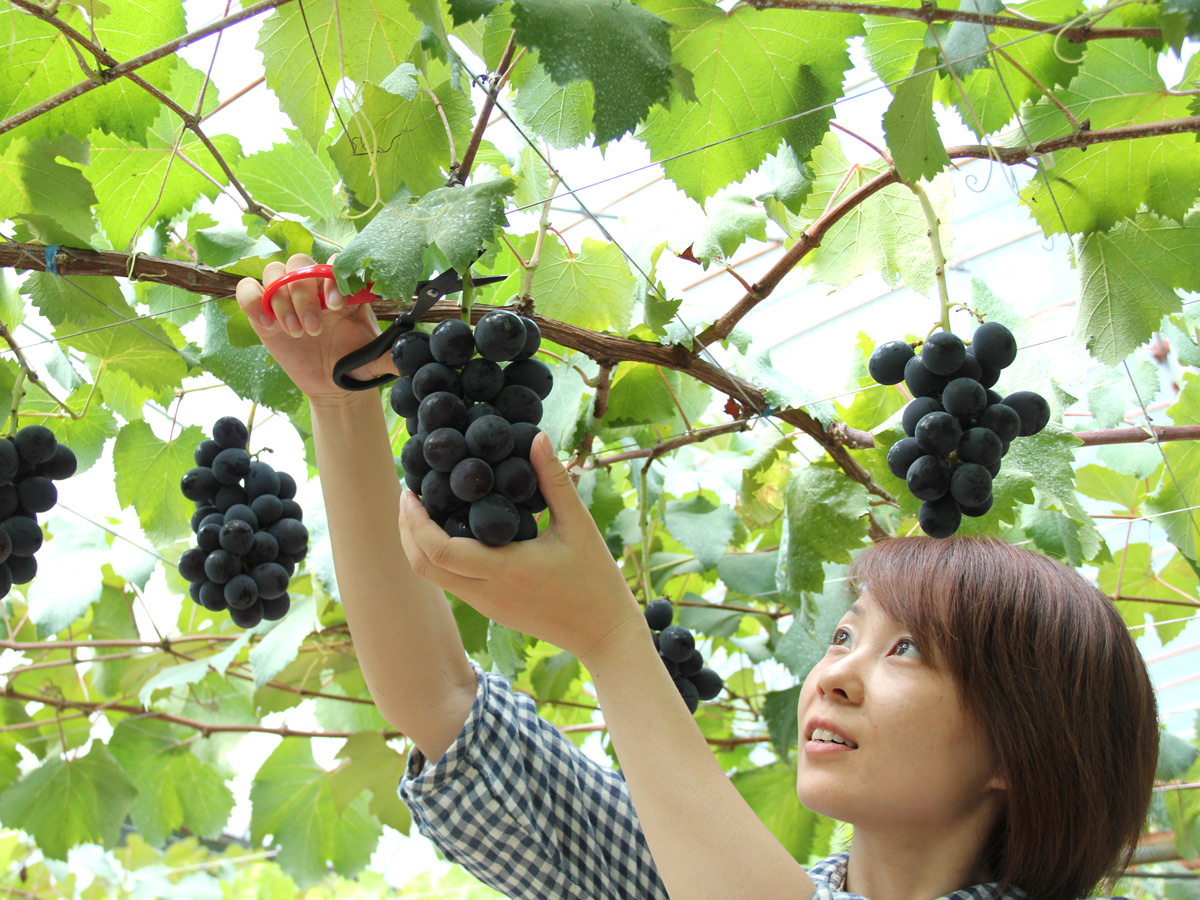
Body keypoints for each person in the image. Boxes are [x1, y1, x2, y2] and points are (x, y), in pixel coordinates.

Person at [235, 255, 1160, 900]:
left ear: (1023, 743)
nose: (833, 673)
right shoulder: (694, 874)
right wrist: (339, 405)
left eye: (908, 648)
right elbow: (441, 703)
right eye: (846, 635)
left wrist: (610, 637)